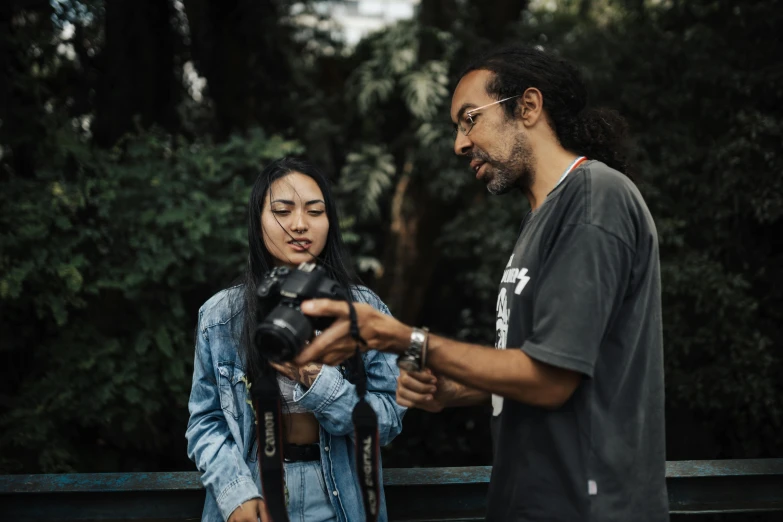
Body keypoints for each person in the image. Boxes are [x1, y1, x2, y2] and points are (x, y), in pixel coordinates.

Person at [292, 45, 668, 521]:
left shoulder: (595, 199)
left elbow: (552, 381)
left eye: (469, 118)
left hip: (589, 506)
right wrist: (457, 389)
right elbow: (547, 363)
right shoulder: (542, 217)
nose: (459, 143)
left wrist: (406, 339)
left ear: (528, 107)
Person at [186, 157, 406, 522]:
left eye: (315, 212)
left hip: (341, 496)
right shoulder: (221, 316)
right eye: (282, 212)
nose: (300, 225)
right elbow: (205, 423)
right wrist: (234, 494)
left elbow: (387, 423)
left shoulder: (363, 311)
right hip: (254, 493)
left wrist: (317, 378)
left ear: (329, 222)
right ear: (258, 222)